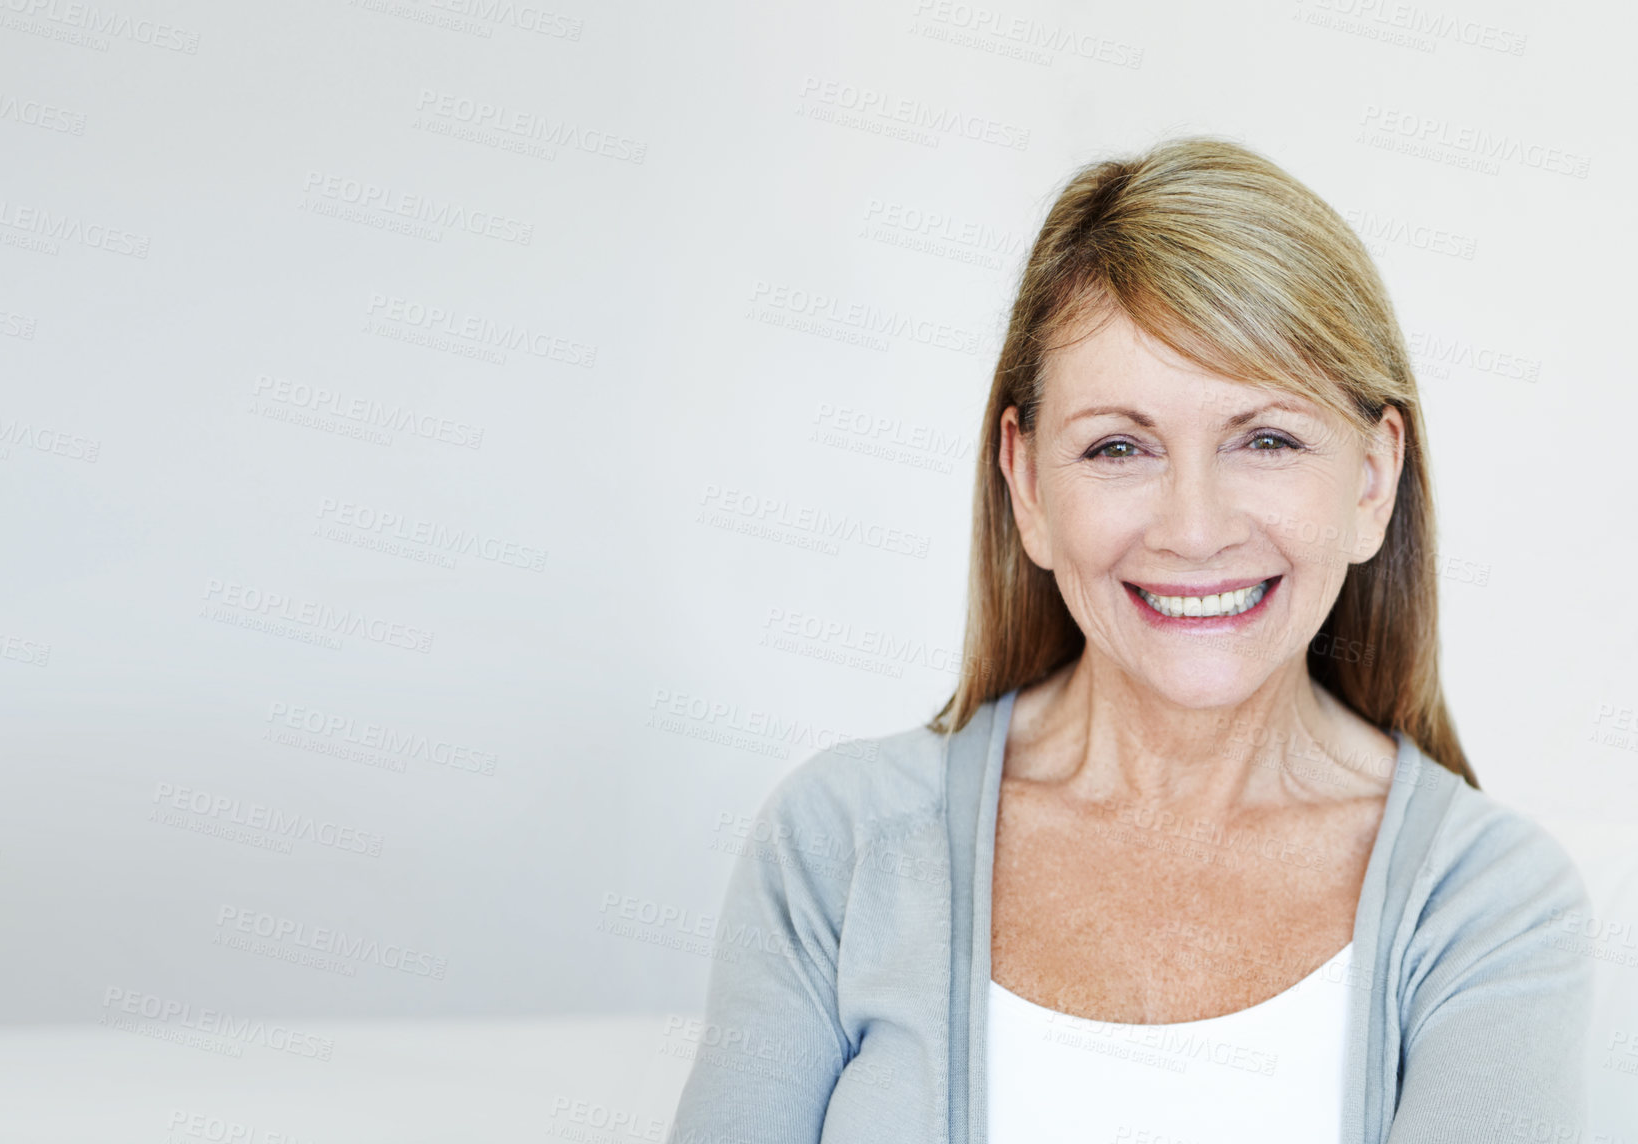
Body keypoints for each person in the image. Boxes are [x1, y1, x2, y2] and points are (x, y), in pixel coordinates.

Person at [669, 136, 1593, 1143]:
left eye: (1266, 439)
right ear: (1026, 482)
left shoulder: (1490, 906)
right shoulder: (838, 849)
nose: (1192, 528)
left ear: (1371, 479)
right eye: (1119, 446)